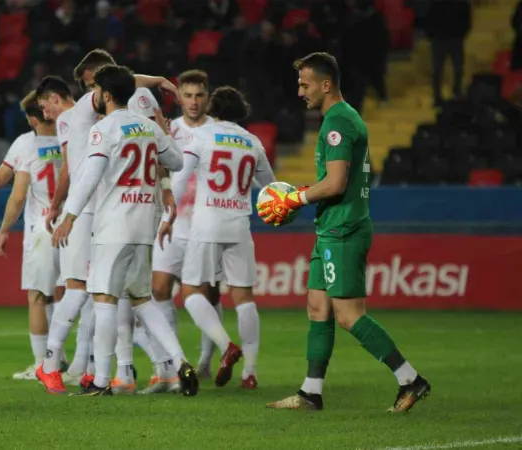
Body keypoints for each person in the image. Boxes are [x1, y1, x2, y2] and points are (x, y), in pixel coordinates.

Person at [261, 52, 430, 412]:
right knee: (317, 306)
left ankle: (409, 379)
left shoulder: (338, 121)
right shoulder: (341, 119)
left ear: (325, 84)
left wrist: (295, 198)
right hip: (330, 228)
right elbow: (336, 181)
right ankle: (310, 392)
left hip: (343, 229)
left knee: (349, 314)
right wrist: (305, 192)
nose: (300, 92)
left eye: (305, 85)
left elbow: (335, 184)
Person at [51, 65, 196, 396]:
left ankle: (101, 380)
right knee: (142, 299)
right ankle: (179, 360)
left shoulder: (103, 129)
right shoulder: (148, 126)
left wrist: (70, 216)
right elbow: (175, 161)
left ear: (105, 94)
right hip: (145, 222)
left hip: (114, 224)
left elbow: (89, 175)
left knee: (104, 299)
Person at [170, 86, 275, 389]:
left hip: (206, 224)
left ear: (212, 109)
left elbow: (180, 178)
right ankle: (251, 372)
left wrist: (167, 217)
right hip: (239, 225)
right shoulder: (252, 142)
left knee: (191, 293)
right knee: (244, 298)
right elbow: (272, 187)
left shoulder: (202, 136)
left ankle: (226, 345)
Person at [137, 69, 223, 395]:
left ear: (207, 97)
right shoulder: (168, 129)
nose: (193, 101)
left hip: (205, 225)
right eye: (187, 95)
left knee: (206, 294)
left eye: (199, 95)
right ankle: (174, 368)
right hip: (170, 222)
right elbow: (158, 164)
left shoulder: (218, 130)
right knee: (159, 289)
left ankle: (204, 360)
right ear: (179, 97)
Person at [0, 91, 62, 381]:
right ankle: (63, 361)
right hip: (72, 227)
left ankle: (41, 366)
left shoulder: (26, 143)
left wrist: (4, 228)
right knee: (63, 296)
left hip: (41, 230)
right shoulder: (71, 138)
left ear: (34, 119)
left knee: (36, 296)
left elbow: (18, 195)